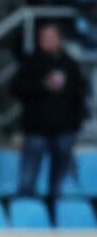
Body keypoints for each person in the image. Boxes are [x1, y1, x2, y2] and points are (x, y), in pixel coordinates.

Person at [12, 21, 87, 219]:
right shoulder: (31, 62)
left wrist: (75, 124)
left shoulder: (70, 65)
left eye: (50, 37)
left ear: (60, 40)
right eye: (43, 37)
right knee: (27, 178)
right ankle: (25, 215)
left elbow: (80, 94)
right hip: (36, 128)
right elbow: (17, 90)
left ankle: (55, 214)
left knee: (58, 181)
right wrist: (41, 85)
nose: (46, 41)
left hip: (64, 129)